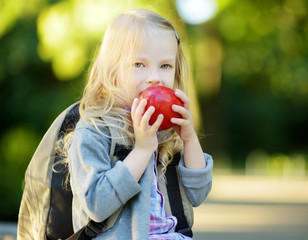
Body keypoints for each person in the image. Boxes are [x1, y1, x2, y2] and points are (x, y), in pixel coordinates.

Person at [62, 9, 213, 239]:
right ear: (112, 71)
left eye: (165, 66)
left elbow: (198, 194)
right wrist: (142, 150)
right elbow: (96, 205)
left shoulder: (165, 131)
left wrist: (189, 138)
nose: (154, 77)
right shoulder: (94, 131)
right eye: (139, 64)